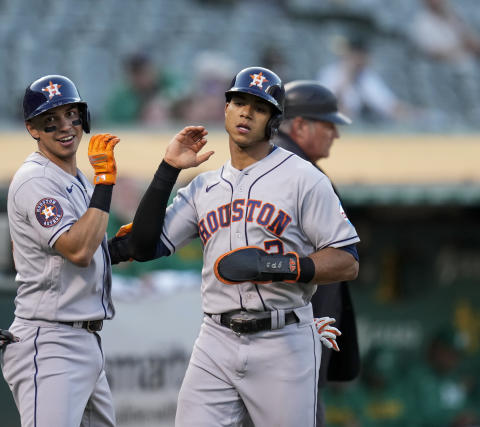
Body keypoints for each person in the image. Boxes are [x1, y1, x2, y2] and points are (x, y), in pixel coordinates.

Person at [110, 66, 360, 426]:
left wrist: (282, 267)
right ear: (225, 109)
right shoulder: (203, 187)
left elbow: (347, 260)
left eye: (258, 107)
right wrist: (168, 169)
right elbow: (145, 246)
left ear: (274, 120)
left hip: (283, 338)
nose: (246, 112)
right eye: (239, 102)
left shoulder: (305, 178)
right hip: (216, 338)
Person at [0, 74, 121, 427]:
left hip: (83, 339)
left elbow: (85, 250)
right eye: (51, 120)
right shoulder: (35, 179)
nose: (65, 127)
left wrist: (115, 248)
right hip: (51, 339)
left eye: (71, 116)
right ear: (33, 128)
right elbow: (77, 250)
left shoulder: (75, 179)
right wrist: (105, 184)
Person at [273, 80, 360, 427]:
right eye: (328, 125)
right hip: (290, 336)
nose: (335, 135)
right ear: (299, 125)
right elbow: (342, 260)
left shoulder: (277, 165)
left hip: (279, 334)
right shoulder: (300, 173)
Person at [317, 35, 414, 124]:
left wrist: (414, 115)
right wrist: (346, 78)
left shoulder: (366, 77)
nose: (361, 59)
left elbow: (389, 106)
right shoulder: (330, 74)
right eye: (358, 55)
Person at [102, 52, 181, 125]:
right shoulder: (120, 97)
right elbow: (110, 124)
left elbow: (182, 88)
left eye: (145, 72)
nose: (142, 78)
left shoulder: (165, 79)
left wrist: (162, 101)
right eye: (137, 74)